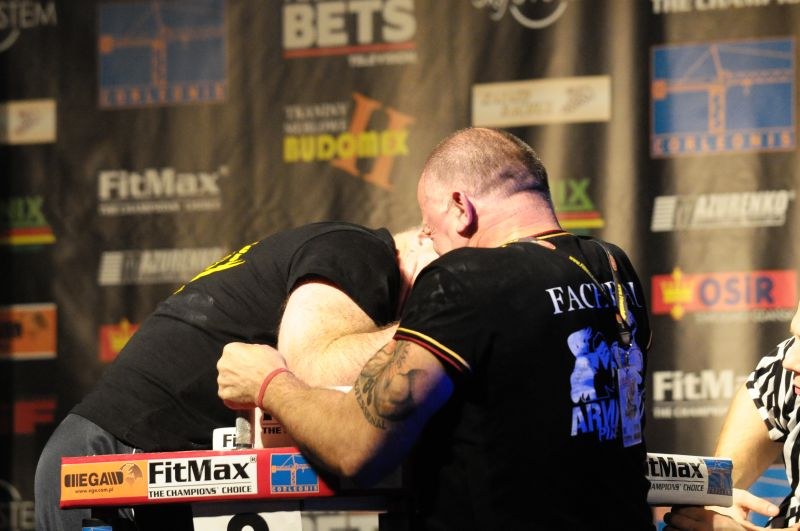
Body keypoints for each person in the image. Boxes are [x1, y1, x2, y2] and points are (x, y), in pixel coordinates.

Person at [218, 127, 655, 530]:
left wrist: (269, 382)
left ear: (461, 207)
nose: (432, 242)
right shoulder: (611, 265)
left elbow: (356, 447)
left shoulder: (464, 277)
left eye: (430, 226)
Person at [35, 221, 436, 531]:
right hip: (105, 464)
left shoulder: (343, 252)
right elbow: (315, 371)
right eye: (449, 275)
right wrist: (439, 327)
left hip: (138, 460)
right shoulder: (359, 250)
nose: (453, 289)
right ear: (424, 237)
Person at [663, 300, 800, 531]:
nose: (789, 361)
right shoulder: (786, 371)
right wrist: (716, 503)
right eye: (795, 338)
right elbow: (724, 480)